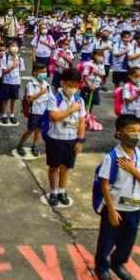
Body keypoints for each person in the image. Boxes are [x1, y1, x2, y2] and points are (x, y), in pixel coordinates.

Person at [94, 114, 140, 280]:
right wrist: (112, 210)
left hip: (135, 206)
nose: (136, 134)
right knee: (107, 239)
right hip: (115, 207)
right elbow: (104, 185)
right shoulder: (112, 157)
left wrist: (133, 169)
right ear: (120, 133)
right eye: (131, 131)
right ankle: (102, 267)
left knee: (128, 240)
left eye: (139, 131)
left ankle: (118, 262)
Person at [43, 68, 86, 207]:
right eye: (70, 85)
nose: (72, 88)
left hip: (71, 139)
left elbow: (82, 122)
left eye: (75, 85)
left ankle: (62, 190)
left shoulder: (80, 100)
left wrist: (80, 140)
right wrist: (71, 110)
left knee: (65, 167)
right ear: (63, 83)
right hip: (55, 138)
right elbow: (54, 117)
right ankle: (53, 191)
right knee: (54, 167)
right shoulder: (54, 97)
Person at [16, 64, 51, 158]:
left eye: (45, 72)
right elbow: (30, 99)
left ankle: (34, 145)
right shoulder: (31, 84)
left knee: (39, 130)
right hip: (34, 111)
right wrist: (40, 93)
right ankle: (20, 145)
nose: (44, 74)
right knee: (30, 130)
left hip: (43, 112)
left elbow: (50, 98)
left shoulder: (46, 84)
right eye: (42, 72)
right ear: (35, 72)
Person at [0, 41, 24, 124]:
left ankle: (12, 115)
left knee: (13, 99)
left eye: (16, 46)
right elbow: (3, 71)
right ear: (8, 48)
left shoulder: (19, 58)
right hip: (6, 81)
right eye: (12, 46)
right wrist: (12, 67)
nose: (14, 48)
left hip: (16, 82)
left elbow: (20, 71)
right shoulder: (5, 57)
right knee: (6, 99)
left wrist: (19, 82)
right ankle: (4, 115)